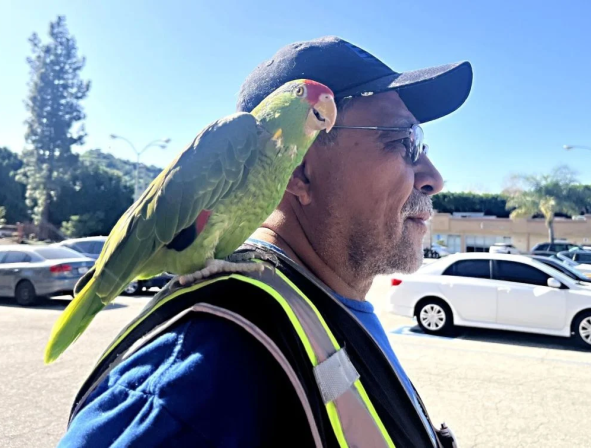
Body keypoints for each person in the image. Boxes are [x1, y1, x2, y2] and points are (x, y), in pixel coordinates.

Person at [59, 36, 472, 447]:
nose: (434, 177)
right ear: (300, 173)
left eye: (422, 143)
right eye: (404, 143)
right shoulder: (211, 361)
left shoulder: (332, 308)